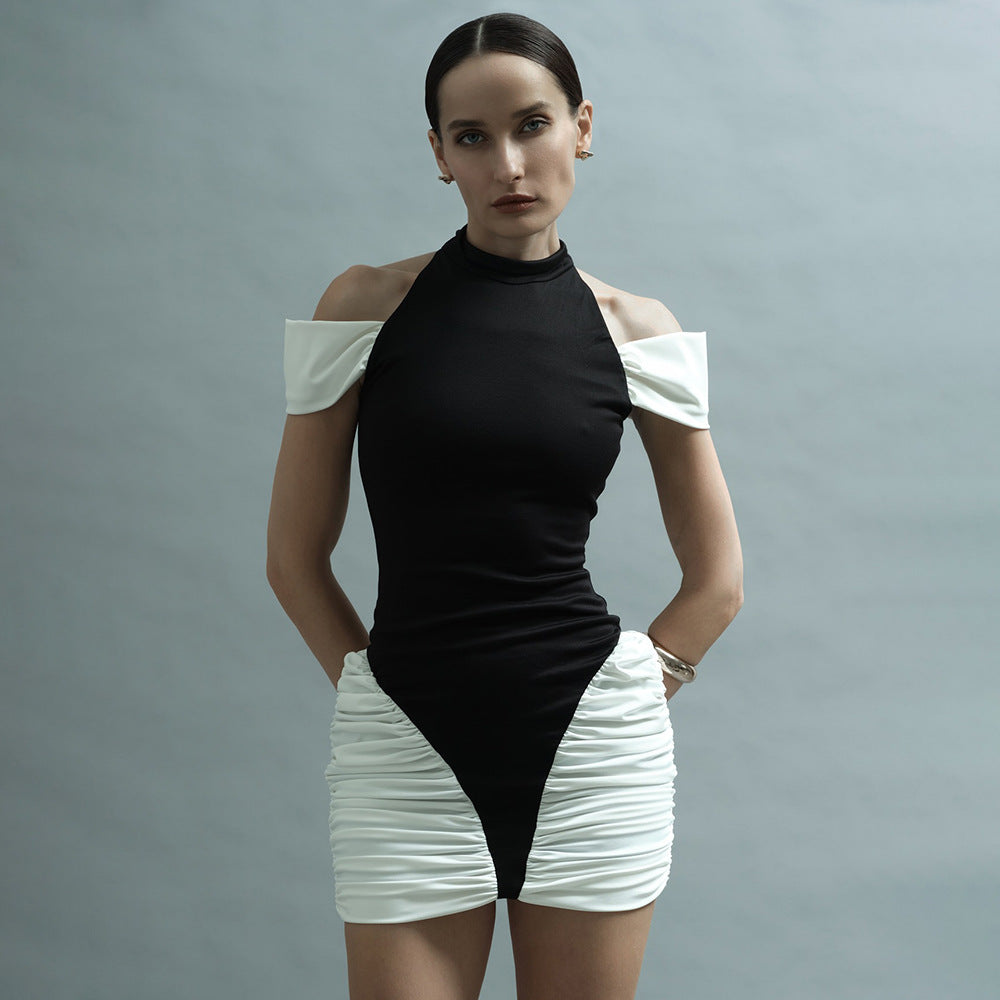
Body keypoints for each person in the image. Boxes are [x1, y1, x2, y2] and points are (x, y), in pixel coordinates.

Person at [266, 12, 743, 1000]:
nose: (509, 162)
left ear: (582, 126)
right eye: (473, 137)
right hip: (404, 744)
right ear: (438, 155)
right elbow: (293, 557)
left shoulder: (635, 330)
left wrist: (627, 700)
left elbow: (718, 581)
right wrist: (371, 697)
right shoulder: (364, 305)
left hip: (591, 748)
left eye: (532, 124)